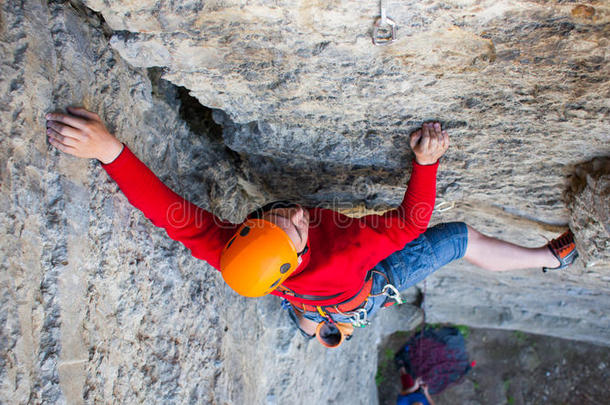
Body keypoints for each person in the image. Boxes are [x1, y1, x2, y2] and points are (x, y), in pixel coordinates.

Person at [45, 107, 579, 346]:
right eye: (297, 227)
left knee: (306, 311)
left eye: (281, 217)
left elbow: (167, 214)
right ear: (296, 253)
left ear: (246, 233)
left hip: (299, 289)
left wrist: (108, 151)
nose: (300, 215)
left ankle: (313, 321)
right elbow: (414, 221)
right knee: (462, 239)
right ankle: (550, 259)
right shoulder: (349, 248)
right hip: (361, 283)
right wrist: (426, 164)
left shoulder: (234, 252)